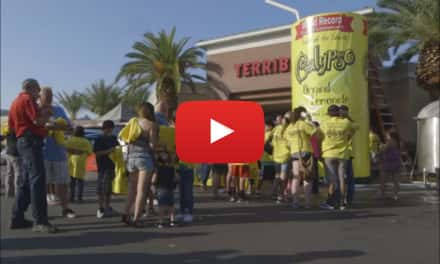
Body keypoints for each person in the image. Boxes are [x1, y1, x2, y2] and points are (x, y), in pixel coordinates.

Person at [9, 78, 57, 233]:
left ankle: (17, 217)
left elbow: (13, 126)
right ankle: (40, 221)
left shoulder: (15, 102)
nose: (39, 95)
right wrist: (47, 115)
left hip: (23, 141)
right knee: (37, 179)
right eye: (38, 91)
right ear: (32, 88)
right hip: (31, 141)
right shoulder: (27, 99)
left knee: (25, 181)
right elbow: (37, 121)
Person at [41, 87, 76, 218]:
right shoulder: (36, 110)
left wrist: (52, 125)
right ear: (40, 97)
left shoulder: (59, 110)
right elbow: (38, 126)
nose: (49, 98)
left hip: (60, 153)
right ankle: (41, 213)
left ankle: (66, 209)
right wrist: (55, 125)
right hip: (42, 153)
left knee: (62, 183)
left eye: (51, 96)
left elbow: (69, 126)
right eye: (46, 96)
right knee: (42, 184)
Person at [122, 102, 158, 227]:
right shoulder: (151, 125)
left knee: (132, 189)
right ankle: (136, 218)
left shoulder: (133, 122)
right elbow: (153, 146)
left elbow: (125, 138)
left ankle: (126, 213)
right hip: (144, 158)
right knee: (141, 190)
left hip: (131, 158)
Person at [319, 105, 357, 211]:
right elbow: (356, 126)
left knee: (332, 180)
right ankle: (342, 203)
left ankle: (331, 203)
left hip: (329, 154)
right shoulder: (346, 122)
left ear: (329, 113)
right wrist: (347, 117)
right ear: (338, 113)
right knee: (341, 179)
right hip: (342, 154)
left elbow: (318, 136)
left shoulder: (324, 123)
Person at [284, 107, 317, 209]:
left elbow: (287, 143)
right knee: (307, 178)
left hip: (294, 153)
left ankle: (295, 203)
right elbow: (315, 132)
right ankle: (307, 203)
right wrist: (310, 120)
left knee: (296, 178)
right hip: (306, 152)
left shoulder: (288, 128)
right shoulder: (303, 124)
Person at [94, 120, 119, 218]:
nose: (110, 130)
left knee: (109, 190)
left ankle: (107, 207)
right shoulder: (99, 139)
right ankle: (101, 208)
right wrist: (109, 151)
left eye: (111, 128)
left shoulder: (113, 138)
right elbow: (97, 153)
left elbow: (118, 149)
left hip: (112, 167)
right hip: (103, 167)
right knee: (101, 189)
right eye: (108, 128)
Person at [65, 126, 92, 203]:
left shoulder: (70, 140)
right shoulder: (85, 141)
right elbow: (90, 152)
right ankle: (79, 198)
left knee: (72, 181)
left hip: (71, 162)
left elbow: (65, 148)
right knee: (80, 181)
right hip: (81, 162)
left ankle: (71, 198)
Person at [270, 113, 291, 203]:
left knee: (277, 176)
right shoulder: (289, 130)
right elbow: (290, 144)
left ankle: (274, 193)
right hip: (285, 156)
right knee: (283, 178)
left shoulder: (275, 129)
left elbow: (270, 141)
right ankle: (281, 195)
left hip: (276, 156)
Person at [156, 151, 177, 228]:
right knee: (171, 206)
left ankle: (160, 222)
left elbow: (154, 179)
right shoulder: (172, 168)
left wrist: (153, 185)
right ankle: (172, 221)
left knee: (161, 206)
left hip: (161, 188)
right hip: (170, 189)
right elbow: (176, 178)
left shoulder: (158, 169)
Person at [339, 105, 355, 206]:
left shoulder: (346, 123)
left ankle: (344, 199)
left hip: (344, 154)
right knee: (348, 178)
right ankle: (347, 199)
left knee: (343, 178)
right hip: (346, 153)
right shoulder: (350, 123)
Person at [379, 130, 402, 201]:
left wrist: (381, 146)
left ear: (390, 136)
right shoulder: (398, 142)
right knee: (396, 180)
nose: (386, 136)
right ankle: (396, 195)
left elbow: (384, 149)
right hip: (396, 162)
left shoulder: (390, 142)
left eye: (387, 135)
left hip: (388, 162)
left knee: (384, 180)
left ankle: (382, 194)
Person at [258, 121, 276, 197]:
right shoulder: (264, 134)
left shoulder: (271, 134)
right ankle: (260, 190)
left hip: (269, 159)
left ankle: (268, 191)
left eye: (266, 126)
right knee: (265, 177)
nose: (265, 128)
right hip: (265, 159)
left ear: (271, 127)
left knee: (269, 177)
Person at [3, 124, 21, 198]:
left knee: (9, 173)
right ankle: (18, 194)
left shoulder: (7, 127)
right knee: (18, 174)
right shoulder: (18, 127)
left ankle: (8, 193)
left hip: (8, 152)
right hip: (16, 153)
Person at [310, 121, 322, 194]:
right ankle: (314, 189)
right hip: (314, 154)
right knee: (314, 172)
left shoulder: (316, 133)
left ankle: (314, 189)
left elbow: (317, 145)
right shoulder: (318, 133)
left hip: (313, 154)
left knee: (313, 172)